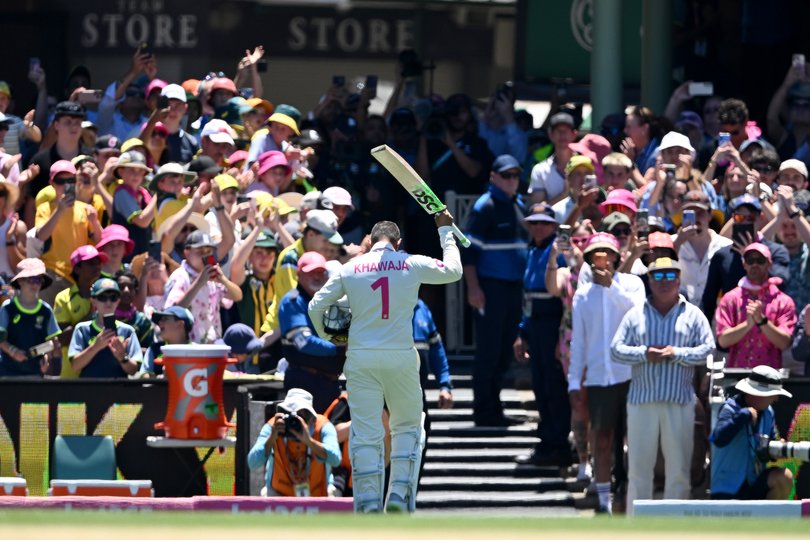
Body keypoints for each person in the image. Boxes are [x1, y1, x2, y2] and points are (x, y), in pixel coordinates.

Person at [308, 211, 462, 513]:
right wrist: (445, 232)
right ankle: (398, 496)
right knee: (407, 426)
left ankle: (366, 503)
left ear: (371, 240)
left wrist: (330, 336)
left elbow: (316, 306)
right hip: (401, 356)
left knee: (366, 433)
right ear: (397, 241)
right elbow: (454, 270)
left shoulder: (350, 268)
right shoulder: (411, 262)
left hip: (361, 357)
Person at [611, 258, 715, 515]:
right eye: (657, 276)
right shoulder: (635, 314)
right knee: (638, 471)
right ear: (649, 280)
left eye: (670, 275)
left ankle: (674, 528)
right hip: (641, 402)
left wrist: (676, 353)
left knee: (679, 470)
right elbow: (616, 350)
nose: (665, 281)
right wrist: (645, 354)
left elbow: (707, 349)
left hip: (679, 402)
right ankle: (637, 529)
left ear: (679, 279)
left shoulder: (693, 314)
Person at [568, 232, 646, 514]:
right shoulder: (583, 295)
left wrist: (611, 286)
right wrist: (574, 380)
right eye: (596, 255)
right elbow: (579, 341)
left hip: (631, 375)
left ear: (616, 257)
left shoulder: (632, 284)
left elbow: (638, 314)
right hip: (601, 377)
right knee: (601, 439)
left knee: (633, 439)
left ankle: (630, 496)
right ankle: (603, 501)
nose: (602, 260)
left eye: (607, 254)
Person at [462, 155, 528, 427]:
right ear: (493, 176)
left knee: (504, 349)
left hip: (514, 287)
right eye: (506, 175)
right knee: (489, 350)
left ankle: (495, 407)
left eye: (515, 175)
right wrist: (473, 288)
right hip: (491, 287)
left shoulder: (518, 204)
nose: (512, 181)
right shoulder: (484, 206)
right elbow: (469, 253)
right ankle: (484, 410)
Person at [512, 203, 570, 466]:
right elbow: (527, 298)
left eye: (543, 222)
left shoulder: (558, 252)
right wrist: (522, 332)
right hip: (535, 325)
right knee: (540, 385)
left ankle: (558, 443)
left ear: (553, 225)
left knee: (554, 386)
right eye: (533, 222)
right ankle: (548, 441)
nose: (538, 227)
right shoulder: (532, 250)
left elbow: (563, 297)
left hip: (553, 324)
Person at [710, 366, 794, 500]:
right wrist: (743, 416)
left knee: (784, 477)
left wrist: (776, 450)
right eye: (773, 394)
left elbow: (765, 451)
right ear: (758, 394)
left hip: (754, 481)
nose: (776, 399)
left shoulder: (768, 412)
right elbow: (719, 439)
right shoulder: (730, 409)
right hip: (726, 488)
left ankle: (768, 521)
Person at [278, 251, 346, 410]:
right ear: (298, 274)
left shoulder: (326, 303)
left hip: (329, 383)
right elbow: (303, 341)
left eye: (320, 272)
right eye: (310, 272)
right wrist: (339, 348)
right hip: (305, 383)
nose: (316, 277)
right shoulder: (293, 301)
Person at [247, 388, 341, 497]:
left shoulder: (323, 426)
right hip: (279, 495)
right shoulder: (275, 426)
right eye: (288, 412)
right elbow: (252, 463)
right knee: (265, 494)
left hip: (317, 495)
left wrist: (309, 441)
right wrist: (272, 437)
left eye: (302, 415)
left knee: (332, 495)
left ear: (311, 418)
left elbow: (336, 460)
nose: (295, 420)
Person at [715, 243, 796, 369]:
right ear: (744, 264)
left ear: (769, 264)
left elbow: (785, 343)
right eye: (750, 260)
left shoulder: (783, 301)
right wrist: (747, 325)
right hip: (736, 375)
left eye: (760, 260)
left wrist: (762, 321)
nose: (754, 264)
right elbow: (723, 341)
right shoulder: (730, 299)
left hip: (770, 377)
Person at [164, 230, 242, 343]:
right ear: (187, 253)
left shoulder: (212, 277)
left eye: (208, 251)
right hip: (188, 348)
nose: (205, 255)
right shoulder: (180, 276)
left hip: (213, 346)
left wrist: (223, 279)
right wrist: (199, 282)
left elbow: (237, 296)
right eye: (200, 251)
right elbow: (173, 311)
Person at [68, 277, 143, 378]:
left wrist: (122, 357)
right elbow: (75, 366)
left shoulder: (128, 331)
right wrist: (95, 347)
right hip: (89, 391)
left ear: (118, 301)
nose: (108, 302)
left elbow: (133, 370)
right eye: (102, 297)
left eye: (113, 297)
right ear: (93, 301)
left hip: (118, 391)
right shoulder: (82, 329)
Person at [0, 259, 60, 377]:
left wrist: (45, 357)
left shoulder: (46, 310)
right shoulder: (8, 308)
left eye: (39, 280)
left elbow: (52, 342)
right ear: (20, 281)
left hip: (35, 374)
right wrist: (13, 351)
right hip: (8, 373)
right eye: (32, 279)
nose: (35, 284)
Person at [528, 112, 577, 204]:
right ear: (550, 135)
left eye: (566, 130)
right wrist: (564, 195)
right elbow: (537, 209)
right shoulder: (539, 170)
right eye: (558, 130)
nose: (562, 135)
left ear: (574, 134)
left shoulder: (587, 166)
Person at [139, 306, 194, 377]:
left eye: (165, 319)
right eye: (160, 320)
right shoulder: (154, 349)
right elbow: (145, 376)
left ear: (180, 324)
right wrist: (161, 378)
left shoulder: (196, 351)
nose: (159, 323)